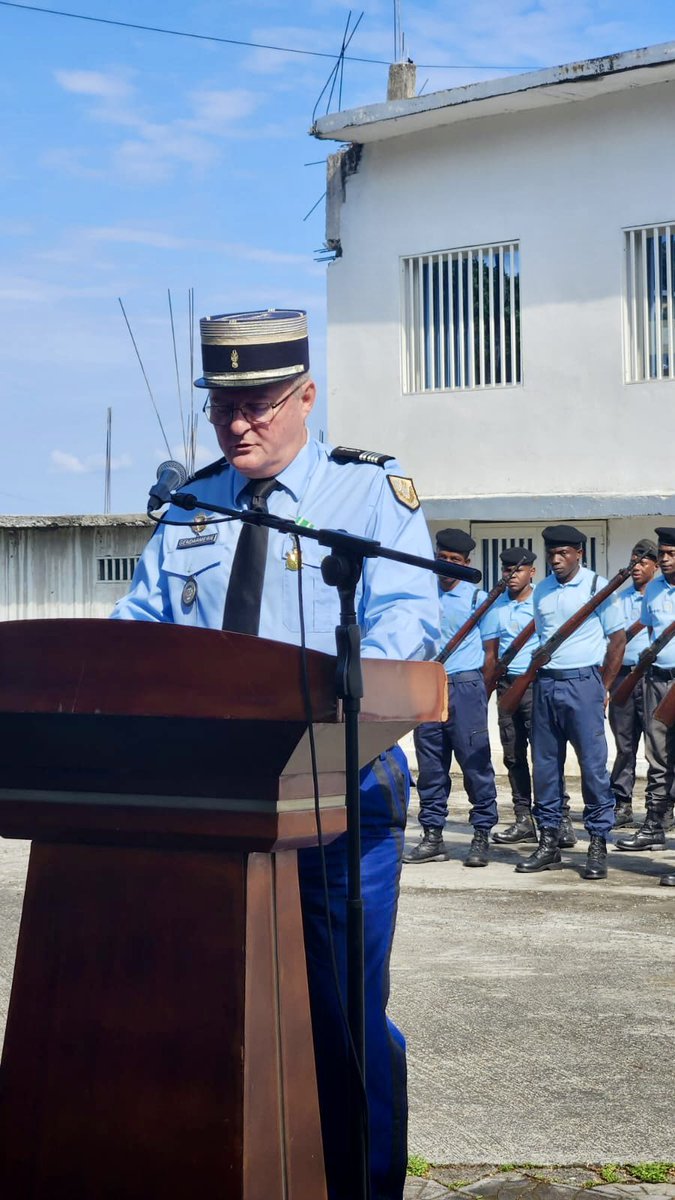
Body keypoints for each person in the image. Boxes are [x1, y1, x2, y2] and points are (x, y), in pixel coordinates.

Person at [111, 308, 441, 1200]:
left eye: (257, 404)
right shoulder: (191, 506)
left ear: (305, 395)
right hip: (205, 809)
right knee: (212, 1011)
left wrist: (337, 700)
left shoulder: (369, 497)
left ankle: (359, 1187)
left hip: (337, 797)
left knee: (339, 1020)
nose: (237, 424)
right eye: (223, 407)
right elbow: (136, 636)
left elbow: (404, 627)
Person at [515, 525, 626, 880]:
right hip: (546, 685)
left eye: (563, 553)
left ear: (579, 552)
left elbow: (618, 640)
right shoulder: (543, 590)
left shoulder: (598, 586)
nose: (556, 560)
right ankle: (549, 841)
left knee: (593, 768)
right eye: (552, 554)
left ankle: (597, 841)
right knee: (544, 767)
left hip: (583, 684)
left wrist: (602, 686)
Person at [404, 528, 498, 868]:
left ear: (467, 563)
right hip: (427, 685)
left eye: (455, 561)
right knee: (430, 765)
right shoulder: (420, 594)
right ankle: (433, 836)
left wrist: (480, 695)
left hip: (465, 685)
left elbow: (491, 655)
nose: (447, 566)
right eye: (442, 559)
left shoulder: (479, 599)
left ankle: (482, 833)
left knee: (475, 763)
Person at [483, 547, 575, 847]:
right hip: (507, 687)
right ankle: (524, 818)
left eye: (518, 570)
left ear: (532, 572)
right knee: (513, 756)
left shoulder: (542, 601)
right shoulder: (495, 606)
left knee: (546, 757)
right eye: (507, 570)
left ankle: (559, 818)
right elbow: (491, 652)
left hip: (536, 686)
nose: (511, 576)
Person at [616, 527, 675, 888]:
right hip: (656, 680)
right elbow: (651, 634)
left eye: (671, 554)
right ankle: (654, 824)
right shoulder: (653, 589)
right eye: (663, 554)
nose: (665, 560)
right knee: (658, 756)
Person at [608, 539, 659, 828]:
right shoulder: (619, 598)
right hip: (623, 678)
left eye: (642, 562)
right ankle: (622, 803)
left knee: (659, 747)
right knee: (624, 745)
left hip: (653, 676)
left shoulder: (662, 596)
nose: (636, 568)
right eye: (634, 562)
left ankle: (660, 808)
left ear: (654, 566)